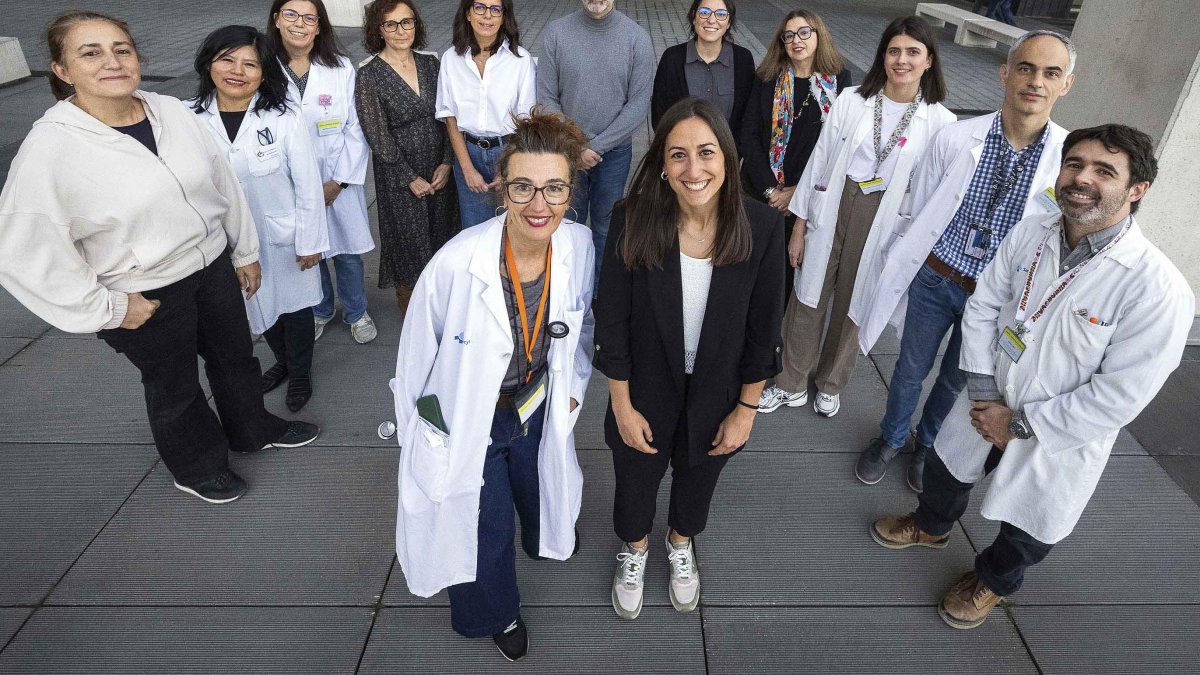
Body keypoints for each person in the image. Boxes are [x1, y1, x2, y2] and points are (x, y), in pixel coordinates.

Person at [870, 124, 1194, 629]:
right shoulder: (1031, 230)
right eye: (1075, 164)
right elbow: (983, 306)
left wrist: (1022, 425)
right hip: (986, 397)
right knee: (945, 471)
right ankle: (932, 527)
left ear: (1137, 190)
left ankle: (992, 583)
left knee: (1030, 527)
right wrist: (983, 395)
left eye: (1103, 171)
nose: (1082, 178)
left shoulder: (1158, 289)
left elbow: (1120, 395)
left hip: (1058, 432)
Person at [0, 12, 319, 504]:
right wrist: (107, 308)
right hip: (143, 289)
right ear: (61, 71)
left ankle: (252, 429)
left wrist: (245, 251)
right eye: (91, 53)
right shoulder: (52, 148)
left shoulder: (168, 111)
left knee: (235, 358)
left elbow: (222, 185)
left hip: (211, 266)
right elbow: (22, 251)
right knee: (175, 385)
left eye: (122, 49)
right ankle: (197, 466)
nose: (113, 61)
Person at [390, 109, 594, 662]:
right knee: (484, 524)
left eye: (554, 188)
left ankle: (541, 536)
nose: (539, 204)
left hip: (536, 403)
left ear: (571, 193)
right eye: (523, 187)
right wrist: (427, 437)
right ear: (502, 188)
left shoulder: (577, 246)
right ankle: (497, 612)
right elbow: (414, 366)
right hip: (468, 418)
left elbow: (581, 322)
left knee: (538, 492)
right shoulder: (458, 264)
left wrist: (572, 385)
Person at [853, 31, 1076, 493]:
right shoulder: (956, 138)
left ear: (1066, 84)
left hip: (994, 299)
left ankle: (927, 443)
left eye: (1051, 73)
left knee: (957, 382)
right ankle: (891, 439)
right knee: (909, 371)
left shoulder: (1067, 160)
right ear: (1005, 73)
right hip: (937, 278)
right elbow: (920, 208)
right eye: (1026, 68)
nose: (1036, 81)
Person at [595, 99, 785, 621]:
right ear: (661, 163)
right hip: (644, 391)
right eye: (678, 155)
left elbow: (763, 330)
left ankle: (681, 542)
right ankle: (634, 549)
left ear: (728, 158)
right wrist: (621, 405)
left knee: (698, 481)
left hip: (720, 393)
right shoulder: (631, 218)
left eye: (706, 153)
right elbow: (610, 319)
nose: (693, 169)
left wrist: (746, 410)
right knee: (635, 482)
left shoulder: (763, 228)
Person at [758, 17, 955, 418]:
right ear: (882, 56)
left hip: (884, 217)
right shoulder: (852, 100)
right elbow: (818, 164)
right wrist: (798, 227)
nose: (901, 60)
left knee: (856, 303)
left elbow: (933, 196)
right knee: (807, 294)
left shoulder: (941, 123)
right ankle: (789, 381)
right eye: (894, 51)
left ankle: (831, 382)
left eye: (912, 52)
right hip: (834, 204)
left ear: (930, 61)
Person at [191, 25, 329, 413]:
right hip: (228, 241)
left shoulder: (284, 117)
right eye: (227, 60)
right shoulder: (189, 118)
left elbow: (307, 185)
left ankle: (300, 371)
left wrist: (310, 241)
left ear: (264, 72)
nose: (238, 71)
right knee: (257, 302)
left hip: (283, 235)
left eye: (250, 64)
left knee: (296, 305)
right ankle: (282, 362)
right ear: (209, 64)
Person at [268, 0, 377, 344]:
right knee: (309, 251)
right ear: (277, 20)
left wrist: (339, 182)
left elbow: (356, 128)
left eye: (309, 17)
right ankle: (321, 309)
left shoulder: (341, 67)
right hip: (288, 182)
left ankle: (357, 312)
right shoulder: (263, 67)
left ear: (319, 26)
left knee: (346, 252)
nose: (299, 23)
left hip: (335, 179)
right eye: (291, 14)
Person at [536, 0, 654, 285]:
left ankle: (601, 296)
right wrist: (576, 147)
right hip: (565, 153)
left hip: (613, 155)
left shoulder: (636, 38)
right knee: (563, 225)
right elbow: (546, 97)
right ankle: (563, 290)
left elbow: (638, 104)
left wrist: (596, 147)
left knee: (606, 227)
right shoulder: (555, 33)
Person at [737, 10, 850, 301]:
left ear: (818, 35)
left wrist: (796, 193)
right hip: (760, 193)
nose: (795, 40)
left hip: (806, 200)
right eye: (788, 35)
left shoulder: (840, 84)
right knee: (748, 272)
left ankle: (776, 339)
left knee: (787, 276)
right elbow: (747, 135)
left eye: (804, 32)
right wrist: (771, 190)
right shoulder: (766, 79)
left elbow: (839, 146)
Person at [356, 0, 458, 315]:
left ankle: (446, 308)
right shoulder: (369, 74)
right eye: (391, 24)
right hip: (399, 177)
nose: (401, 30)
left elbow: (449, 116)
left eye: (407, 22)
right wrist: (408, 177)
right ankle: (414, 314)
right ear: (379, 29)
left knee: (444, 237)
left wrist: (446, 161)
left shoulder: (432, 65)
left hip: (439, 171)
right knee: (408, 244)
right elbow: (377, 134)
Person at [437, 0, 536, 230]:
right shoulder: (451, 59)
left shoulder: (520, 60)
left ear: (504, 16)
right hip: (467, 152)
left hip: (509, 150)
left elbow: (525, 123)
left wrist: (508, 169)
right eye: (479, 7)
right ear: (468, 14)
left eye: (495, 9)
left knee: (513, 227)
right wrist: (467, 169)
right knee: (473, 231)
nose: (487, 16)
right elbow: (450, 118)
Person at [651, 0, 755, 134]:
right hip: (684, 151)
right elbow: (659, 113)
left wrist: (733, 152)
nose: (712, 20)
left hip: (727, 153)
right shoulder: (672, 58)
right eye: (704, 12)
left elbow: (749, 115)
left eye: (721, 14)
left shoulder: (743, 60)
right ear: (694, 18)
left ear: (729, 22)